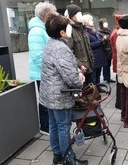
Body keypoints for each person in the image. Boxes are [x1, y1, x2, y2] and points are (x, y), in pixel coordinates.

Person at [39, 14, 87, 165]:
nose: (70, 30)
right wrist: (79, 80)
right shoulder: (60, 48)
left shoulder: (51, 43)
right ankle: (69, 159)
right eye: (68, 28)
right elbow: (71, 78)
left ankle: (57, 155)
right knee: (63, 128)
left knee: (54, 126)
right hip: (60, 96)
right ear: (61, 32)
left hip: (49, 94)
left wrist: (76, 70)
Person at [28, 2, 57, 135]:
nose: (55, 15)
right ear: (45, 15)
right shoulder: (37, 31)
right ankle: (45, 127)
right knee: (45, 101)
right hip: (42, 73)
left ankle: (48, 125)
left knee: (48, 100)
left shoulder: (43, 28)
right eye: (53, 13)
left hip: (45, 72)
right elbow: (37, 56)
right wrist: (50, 71)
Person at [66, 4, 94, 85]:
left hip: (89, 66)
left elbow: (87, 47)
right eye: (77, 14)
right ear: (71, 16)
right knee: (83, 92)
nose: (80, 15)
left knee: (91, 91)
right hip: (81, 69)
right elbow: (69, 51)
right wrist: (80, 65)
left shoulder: (82, 28)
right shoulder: (70, 30)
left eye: (80, 13)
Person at [82, 14, 107, 84]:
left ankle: (98, 87)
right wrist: (100, 42)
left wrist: (103, 40)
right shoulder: (85, 32)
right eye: (91, 20)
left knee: (98, 74)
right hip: (93, 56)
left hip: (99, 55)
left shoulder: (94, 30)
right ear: (86, 22)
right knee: (93, 76)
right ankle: (94, 90)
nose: (92, 21)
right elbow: (89, 45)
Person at [110, 14, 123, 109]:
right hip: (118, 60)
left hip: (118, 60)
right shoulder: (117, 33)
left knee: (120, 82)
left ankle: (119, 102)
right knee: (120, 83)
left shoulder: (117, 31)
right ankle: (119, 103)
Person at [98, 18, 115, 83]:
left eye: (106, 22)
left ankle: (108, 78)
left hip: (109, 50)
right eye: (104, 23)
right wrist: (104, 39)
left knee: (108, 65)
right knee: (105, 65)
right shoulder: (99, 32)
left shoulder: (108, 30)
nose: (106, 24)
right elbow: (101, 42)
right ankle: (106, 78)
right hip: (104, 51)